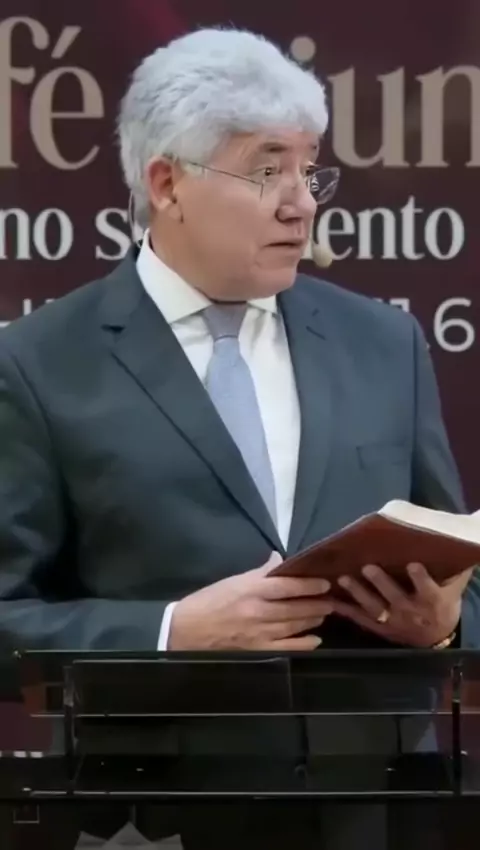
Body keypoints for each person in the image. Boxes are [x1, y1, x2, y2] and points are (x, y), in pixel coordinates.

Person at [0, 26, 478, 849]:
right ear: (167, 184)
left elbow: (463, 578)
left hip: (381, 815)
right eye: (266, 170)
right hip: (156, 821)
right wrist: (170, 633)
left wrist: (442, 625)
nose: (302, 202)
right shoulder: (39, 364)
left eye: (309, 169)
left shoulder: (383, 344)